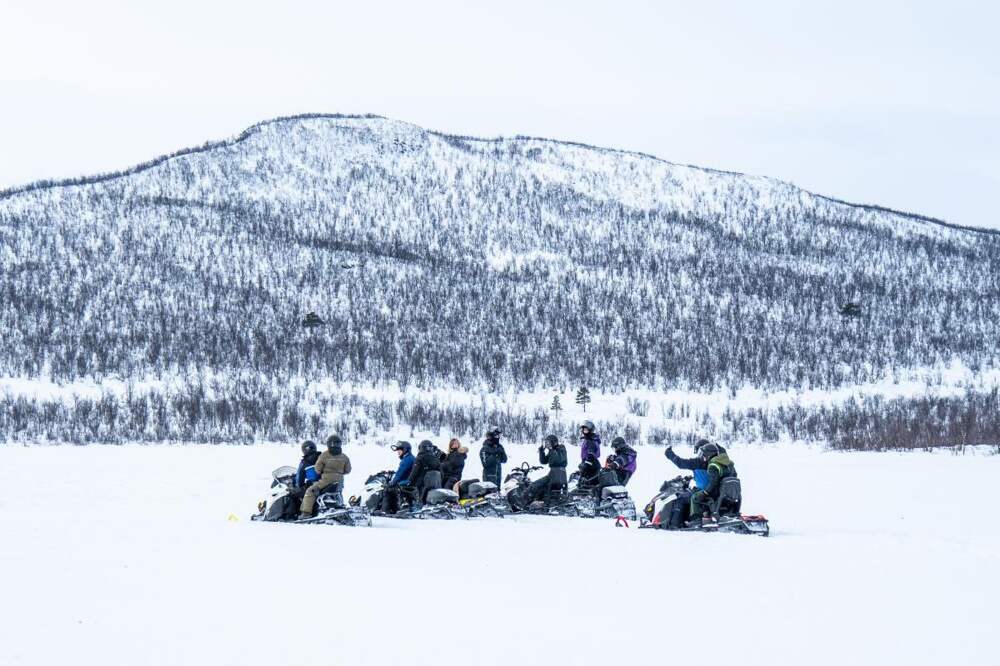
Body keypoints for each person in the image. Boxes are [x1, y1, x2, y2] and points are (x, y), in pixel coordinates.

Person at [665, 440, 737, 526]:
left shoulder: (700, 462)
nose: (700, 455)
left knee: (681, 498)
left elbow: (681, 463)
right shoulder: (722, 462)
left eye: (701, 452)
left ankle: (676, 523)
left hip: (707, 490)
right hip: (722, 493)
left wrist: (669, 454)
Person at [299, 435, 352, 518]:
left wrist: (323, 472)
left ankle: (306, 513)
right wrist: (339, 473)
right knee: (338, 493)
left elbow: (317, 469)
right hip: (340, 480)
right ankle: (339, 506)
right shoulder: (344, 457)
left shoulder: (324, 455)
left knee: (310, 491)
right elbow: (348, 470)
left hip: (326, 479)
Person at [523, 434, 568, 506]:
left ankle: (538, 503)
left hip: (559, 473)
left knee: (542, 487)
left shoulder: (561, 448)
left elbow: (558, 460)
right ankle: (529, 500)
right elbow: (544, 461)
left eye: (549, 442)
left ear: (554, 442)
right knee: (537, 485)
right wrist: (541, 451)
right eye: (546, 443)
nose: (547, 444)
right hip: (553, 473)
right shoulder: (552, 450)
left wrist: (551, 449)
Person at [382, 441, 416, 514]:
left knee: (388, 489)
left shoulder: (407, 459)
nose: (398, 452)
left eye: (400, 450)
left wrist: (392, 482)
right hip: (409, 480)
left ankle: (387, 510)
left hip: (407, 482)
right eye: (397, 450)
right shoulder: (410, 458)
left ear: (405, 450)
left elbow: (400, 472)